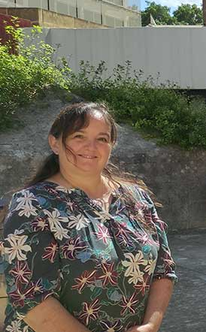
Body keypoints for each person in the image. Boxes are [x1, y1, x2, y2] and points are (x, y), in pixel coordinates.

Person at [1, 102, 177, 332]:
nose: (90, 146)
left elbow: (163, 270)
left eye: (102, 138)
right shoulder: (32, 205)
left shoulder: (137, 199)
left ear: (112, 145)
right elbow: (29, 296)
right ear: (55, 143)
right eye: (78, 136)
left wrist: (151, 325)